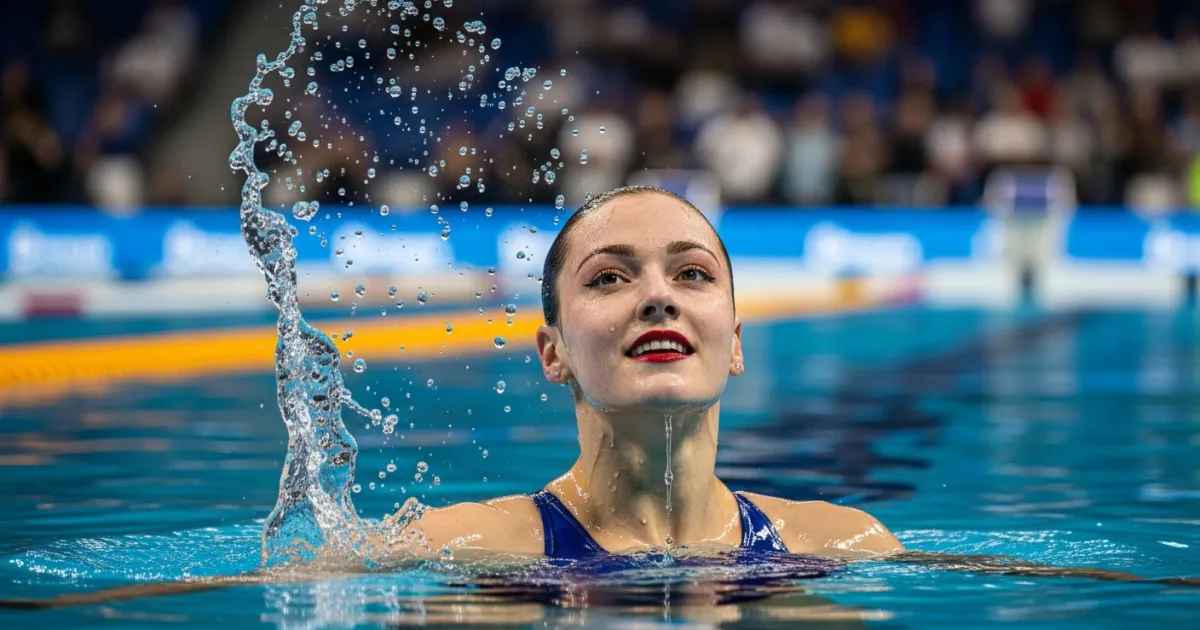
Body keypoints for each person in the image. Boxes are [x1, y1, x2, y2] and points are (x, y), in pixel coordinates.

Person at [381, 185, 904, 561]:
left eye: (692, 273)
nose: (658, 296)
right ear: (553, 353)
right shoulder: (461, 548)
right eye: (609, 278)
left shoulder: (841, 546)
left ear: (735, 343)